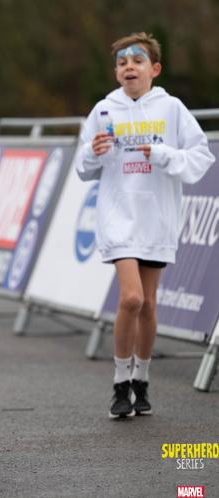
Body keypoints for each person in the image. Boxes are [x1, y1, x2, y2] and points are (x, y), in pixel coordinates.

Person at [74, 32, 214, 419]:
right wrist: (92, 153)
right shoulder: (104, 110)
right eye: (122, 62)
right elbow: (83, 167)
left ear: (155, 69)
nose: (129, 67)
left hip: (158, 218)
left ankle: (142, 378)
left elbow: (200, 157)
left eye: (137, 61)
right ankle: (120, 381)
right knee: (131, 298)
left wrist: (164, 153)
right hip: (118, 218)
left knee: (149, 305)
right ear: (116, 72)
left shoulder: (171, 109)